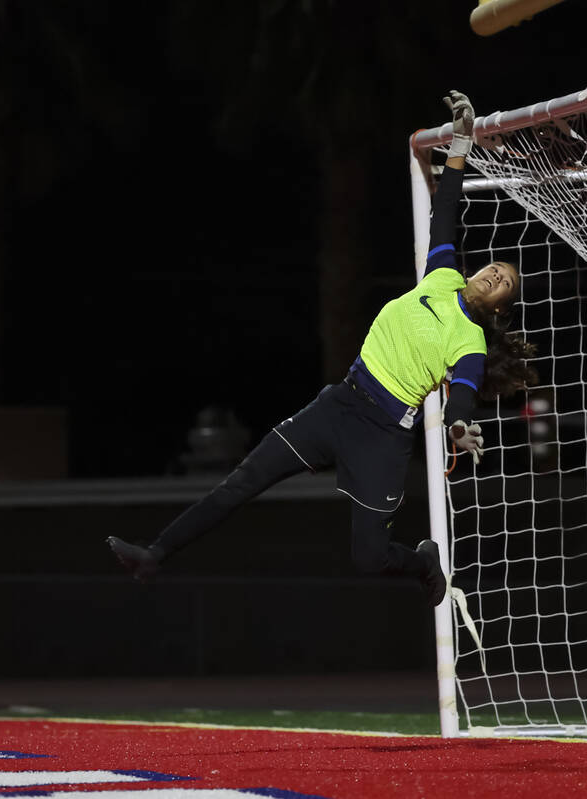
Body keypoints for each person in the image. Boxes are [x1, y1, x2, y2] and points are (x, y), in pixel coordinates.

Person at [107, 90, 535, 607]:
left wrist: (461, 426)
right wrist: (462, 139)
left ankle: (423, 562)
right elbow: (445, 208)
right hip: (340, 404)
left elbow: (461, 396)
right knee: (242, 481)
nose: (496, 274)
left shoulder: (468, 342)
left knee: (369, 557)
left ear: (497, 310)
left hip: (381, 434)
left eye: (505, 284)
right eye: (497, 267)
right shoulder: (442, 276)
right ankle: (155, 554)